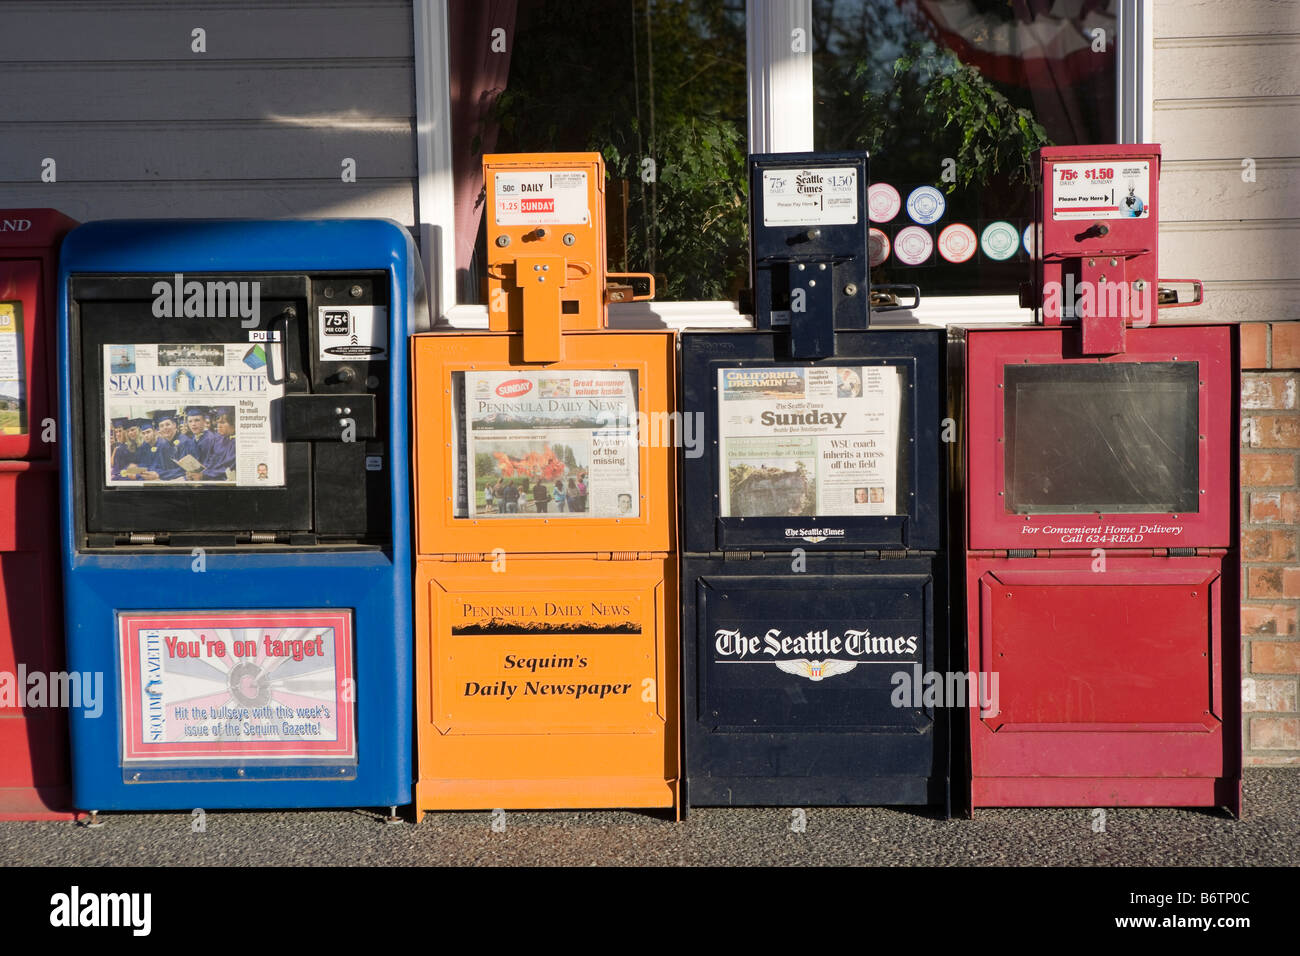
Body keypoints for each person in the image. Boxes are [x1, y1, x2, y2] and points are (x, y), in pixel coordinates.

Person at [200, 410, 237, 480]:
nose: (219, 426)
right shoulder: (218, 440)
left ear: (233, 424)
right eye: (218, 423)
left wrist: (203, 475)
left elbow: (226, 468)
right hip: (209, 475)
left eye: (223, 423)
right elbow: (210, 460)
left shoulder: (237, 443)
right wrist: (200, 471)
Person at [152, 411, 185, 480]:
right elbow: (157, 465)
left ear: (174, 425)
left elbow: (184, 470)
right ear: (159, 429)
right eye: (161, 426)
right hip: (168, 479)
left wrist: (159, 474)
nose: (165, 428)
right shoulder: (163, 444)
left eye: (167, 424)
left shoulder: (184, 442)